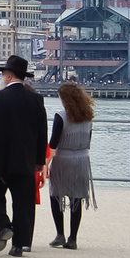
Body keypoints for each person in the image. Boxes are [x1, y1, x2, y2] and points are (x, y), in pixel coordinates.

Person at [0, 55, 48, 257]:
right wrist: (39, 161)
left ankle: (3, 226)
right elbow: (42, 132)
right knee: (24, 203)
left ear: (8, 76)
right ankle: (19, 245)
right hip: (25, 160)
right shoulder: (36, 99)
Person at [47, 81, 97, 249]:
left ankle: (59, 234)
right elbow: (88, 141)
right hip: (82, 159)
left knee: (56, 196)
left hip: (63, 158)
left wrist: (45, 164)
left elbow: (53, 143)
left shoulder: (60, 116)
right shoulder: (88, 115)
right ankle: (73, 238)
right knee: (77, 198)